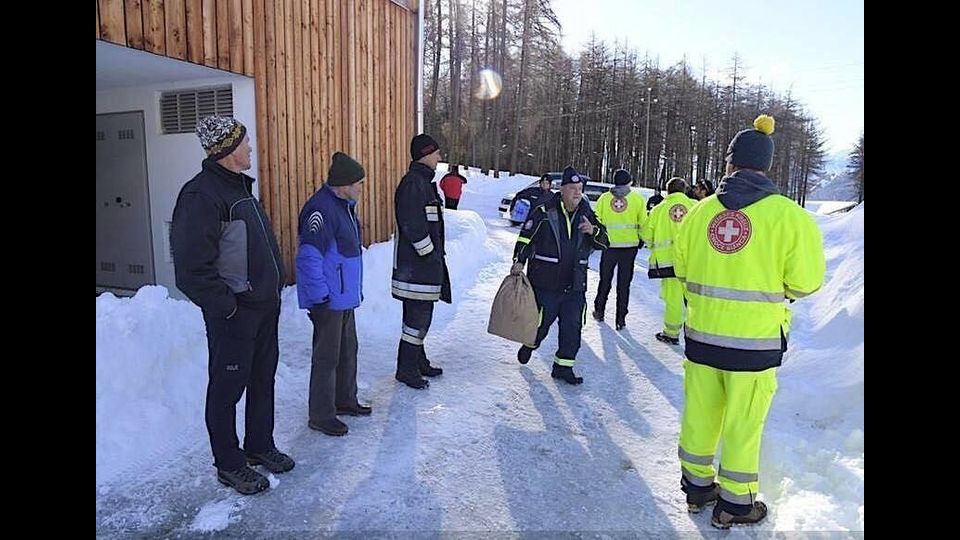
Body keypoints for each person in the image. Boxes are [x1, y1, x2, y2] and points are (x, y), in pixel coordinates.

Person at [673, 115, 825, 528]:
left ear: (730, 164)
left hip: (703, 337)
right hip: (755, 345)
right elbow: (807, 282)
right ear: (767, 166)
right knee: (744, 421)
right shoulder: (789, 217)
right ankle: (736, 505)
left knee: (700, 412)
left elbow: (682, 270)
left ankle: (698, 488)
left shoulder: (700, 212)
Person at [171, 115, 294, 496]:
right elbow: (192, 270)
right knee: (226, 390)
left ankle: (259, 445)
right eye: (244, 142)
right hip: (235, 316)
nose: (250, 147)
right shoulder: (201, 196)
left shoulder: (239, 190)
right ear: (226, 150)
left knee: (262, 380)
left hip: (263, 309)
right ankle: (229, 463)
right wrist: (229, 308)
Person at [296, 152, 372, 437]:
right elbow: (309, 256)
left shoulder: (344, 206)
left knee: (347, 350)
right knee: (326, 357)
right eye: (359, 183)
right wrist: (320, 296)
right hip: (328, 299)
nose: (362, 187)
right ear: (343, 184)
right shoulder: (321, 209)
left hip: (343, 298)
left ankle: (344, 400)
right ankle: (321, 414)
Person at [511, 166, 609, 384]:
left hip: (574, 285)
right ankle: (530, 344)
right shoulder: (544, 211)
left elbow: (605, 242)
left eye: (580, 188)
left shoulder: (587, 213)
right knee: (540, 324)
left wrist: (593, 232)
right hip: (545, 283)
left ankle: (563, 367)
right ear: (562, 190)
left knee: (572, 328)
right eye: (573, 188)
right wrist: (518, 260)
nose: (577, 192)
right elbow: (526, 237)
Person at [391, 134, 451, 389]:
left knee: (420, 319)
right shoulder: (414, 184)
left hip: (420, 270)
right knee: (415, 322)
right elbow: (413, 225)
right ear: (426, 154)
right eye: (436, 152)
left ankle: (418, 361)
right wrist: (429, 255)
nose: (439, 157)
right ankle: (406, 369)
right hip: (416, 272)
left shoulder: (422, 182)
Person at [592, 169, 648, 330]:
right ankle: (620, 318)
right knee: (624, 284)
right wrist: (642, 239)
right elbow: (643, 222)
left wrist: (599, 239)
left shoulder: (604, 198)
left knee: (605, 280)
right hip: (629, 248)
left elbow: (597, 220)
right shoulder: (637, 199)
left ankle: (599, 310)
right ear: (629, 181)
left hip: (609, 247)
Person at [641, 177, 694, 345]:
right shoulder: (695, 207)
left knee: (674, 299)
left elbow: (646, 234)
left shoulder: (658, 210)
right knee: (695, 298)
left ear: (668, 190)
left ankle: (671, 333)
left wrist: (654, 247)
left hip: (668, 263)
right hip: (693, 262)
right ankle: (698, 333)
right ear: (685, 190)